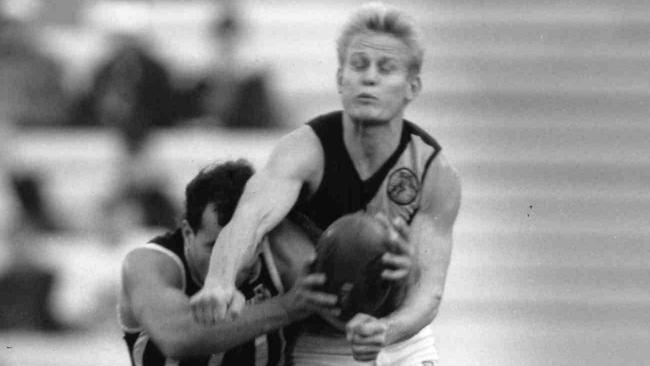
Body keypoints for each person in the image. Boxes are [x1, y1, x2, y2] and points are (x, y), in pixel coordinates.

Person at [191, 2, 461, 365]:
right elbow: (249, 221)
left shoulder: (433, 172)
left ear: (412, 87)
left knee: (406, 266)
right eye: (359, 64)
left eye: (386, 68)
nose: (369, 78)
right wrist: (220, 282)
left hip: (399, 340)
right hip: (318, 343)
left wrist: (387, 331)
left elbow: (429, 292)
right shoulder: (303, 152)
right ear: (340, 79)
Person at [118, 160, 339, 365]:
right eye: (215, 246)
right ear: (187, 232)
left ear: (263, 237)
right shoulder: (148, 263)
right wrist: (286, 307)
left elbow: (345, 303)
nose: (228, 262)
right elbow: (177, 336)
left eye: (241, 245)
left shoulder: (286, 256)